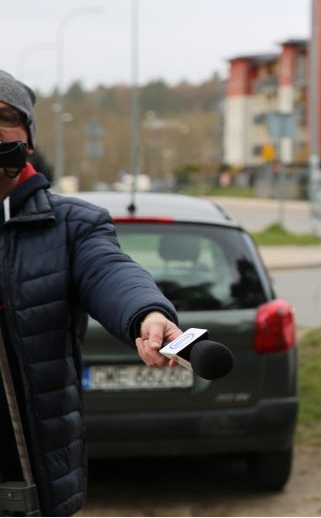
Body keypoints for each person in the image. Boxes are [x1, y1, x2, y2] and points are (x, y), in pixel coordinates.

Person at [0, 70, 182, 516]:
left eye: (5, 117)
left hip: (25, 484)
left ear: (28, 138)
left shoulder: (72, 225)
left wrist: (147, 314)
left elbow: (110, 272)